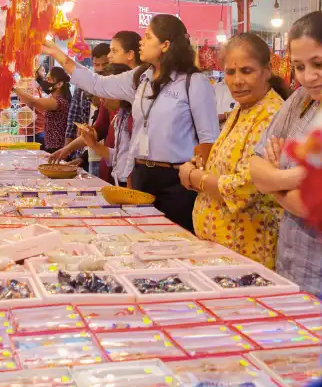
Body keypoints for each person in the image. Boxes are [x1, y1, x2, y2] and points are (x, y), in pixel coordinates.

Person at [42, 14, 219, 231]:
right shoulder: (140, 77)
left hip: (178, 180)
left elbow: (209, 139)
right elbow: (97, 83)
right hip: (141, 175)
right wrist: (58, 55)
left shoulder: (194, 82)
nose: (141, 42)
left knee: (176, 240)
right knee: (141, 237)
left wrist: (198, 178)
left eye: (147, 37)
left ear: (165, 44)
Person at [178, 34, 289, 268]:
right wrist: (197, 164)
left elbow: (245, 187)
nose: (237, 81)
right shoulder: (243, 109)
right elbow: (224, 164)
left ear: (267, 71)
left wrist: (194, 177)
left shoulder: (271, 115)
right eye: (230, 72)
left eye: (246, 71)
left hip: (249, 253)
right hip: (222, 251)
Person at [249, 10, 322, 295]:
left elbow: (316, 207)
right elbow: (256, 166)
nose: (308, 76)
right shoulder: (302, 99)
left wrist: (273, 182)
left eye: (320, 63)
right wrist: (297, 177)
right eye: (299, 67)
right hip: (290, 264)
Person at [49, 30, 142, 173]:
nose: (110, 56)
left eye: (114, 51)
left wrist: (55, 52)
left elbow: (95, 83)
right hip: (114, 167)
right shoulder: (116, 97)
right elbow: (100, 129)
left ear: (130, 54)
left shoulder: (141, 87)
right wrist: (69, 149)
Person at [78, 63, 134, 186]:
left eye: (105, 95)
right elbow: (119, 158)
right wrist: (92, 144)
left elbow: (133, 163)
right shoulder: (121, 116)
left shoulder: (135, 117)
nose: (102, 101)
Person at [66, 43, 110, 173]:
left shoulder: (116, 87)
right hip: (88, 151)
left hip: (107, 154)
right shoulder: (84, 85)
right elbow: (73, 117)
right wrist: (68, 149)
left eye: (105, 64)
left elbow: (103, 127)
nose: (100, 69)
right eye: (97, 65)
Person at [13, 66, 72, 153]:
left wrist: (13, 88)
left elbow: (34, 102)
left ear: (59, 84)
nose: (46, 81)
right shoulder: (52, 97)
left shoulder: (60, 102)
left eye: (49, 79)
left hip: (57, 148)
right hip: (51, 146)